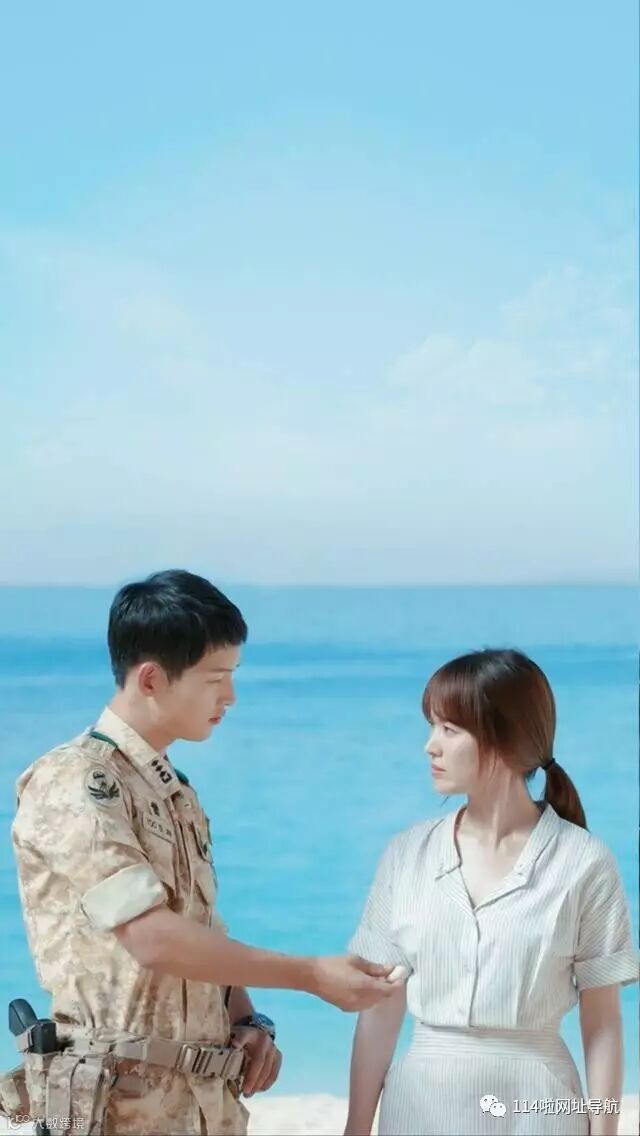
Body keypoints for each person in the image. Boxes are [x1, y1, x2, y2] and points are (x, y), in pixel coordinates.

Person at [6, 570, 399, 1136]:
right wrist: (312, 975)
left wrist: (249, 1019)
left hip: (203, 1107)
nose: (230, 696)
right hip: (116, 1111)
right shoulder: (75, 782)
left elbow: (197, 930)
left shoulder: (173, 792)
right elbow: (151, 937)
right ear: (151, 679)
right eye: (216, 678)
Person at [345, 648, 639, 1136]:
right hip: (420, 1103)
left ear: (504, 737)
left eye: (449, 729)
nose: (430, 746)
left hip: (540, 1105)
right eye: (432, 727)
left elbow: (603, 1020)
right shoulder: (407, 854)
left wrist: (605, 1131)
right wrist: (356, 1126)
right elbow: (380, 1004)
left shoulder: (584, 862)